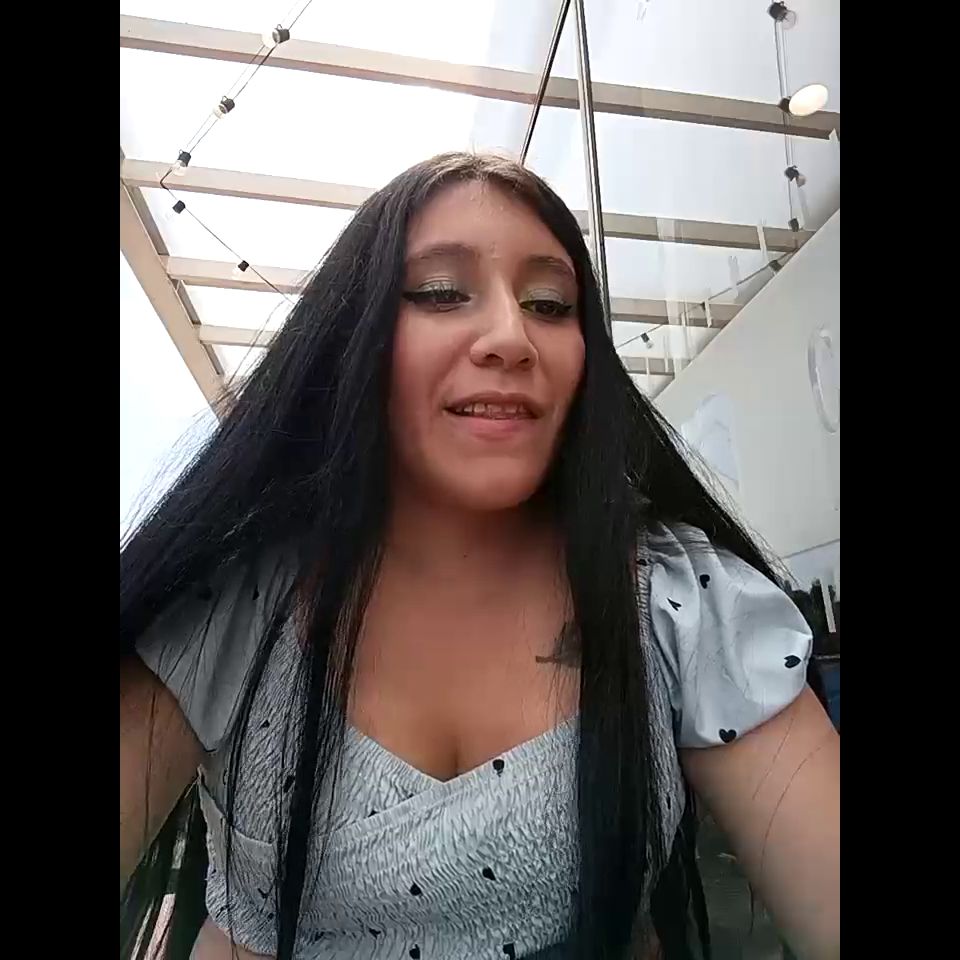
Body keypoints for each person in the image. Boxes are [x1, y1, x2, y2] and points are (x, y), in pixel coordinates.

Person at [120, 153, 839, 960]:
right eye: (439, 292)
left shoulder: (678, 597)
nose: (511, 336)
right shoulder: (231, 603)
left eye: (551, 305)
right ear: (351, 337)